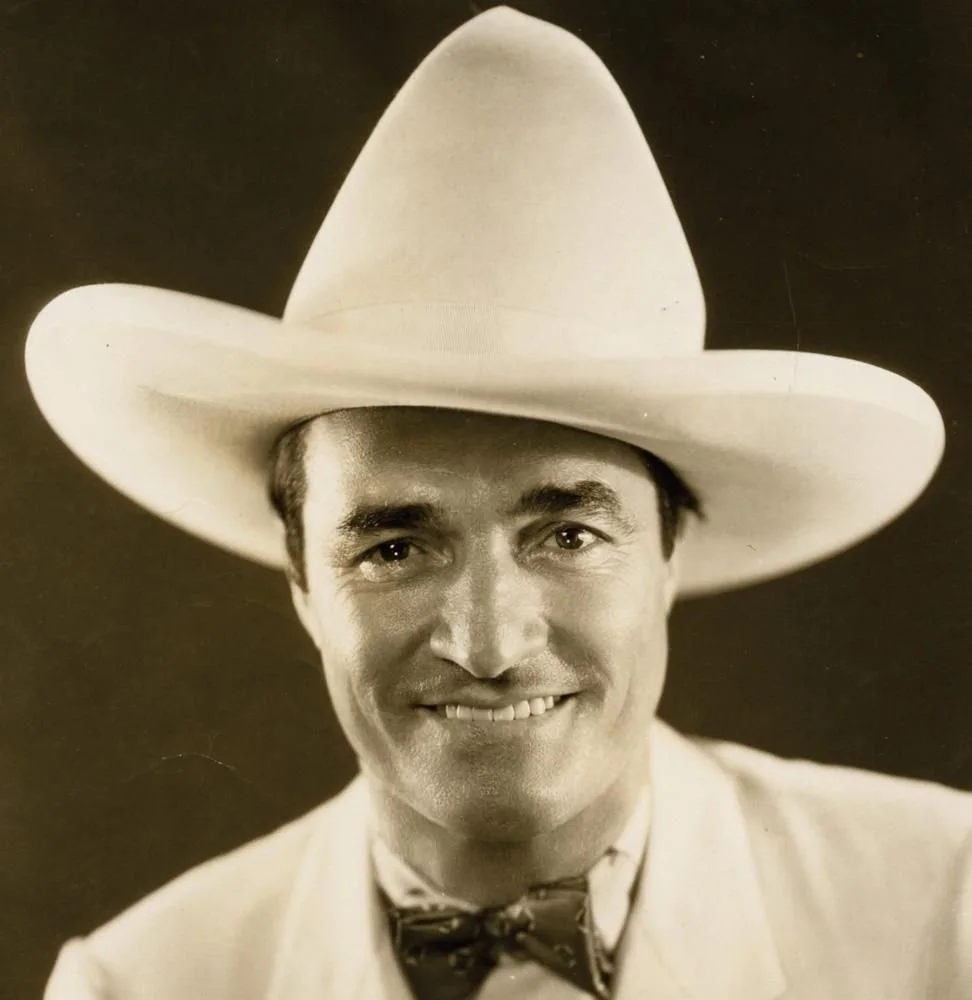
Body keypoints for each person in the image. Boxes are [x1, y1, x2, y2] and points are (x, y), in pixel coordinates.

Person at [27, 8, 971, 999]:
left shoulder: (943, 906)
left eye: (568, 533)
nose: (488, 643)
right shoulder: (143, 983)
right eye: (395, 548)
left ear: (668, 556)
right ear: (303, 583)